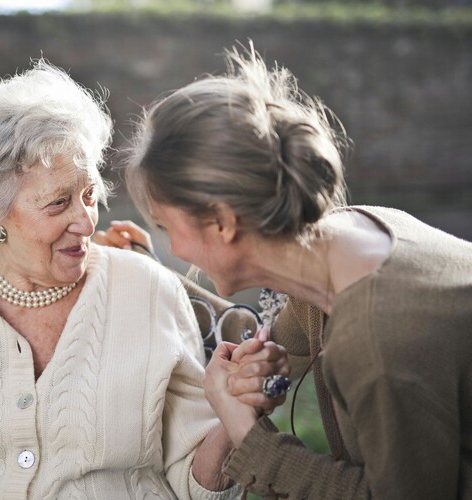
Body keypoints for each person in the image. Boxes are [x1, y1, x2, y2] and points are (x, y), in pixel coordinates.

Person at [0, 60, 281, 499]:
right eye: (57, 204)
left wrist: (233, 413)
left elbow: (195, 483)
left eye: (89, 195)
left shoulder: (149, 291)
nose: (86, 223)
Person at [114, 46, 472, 499]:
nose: (175, 247)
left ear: (222, 222)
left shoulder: (378, 341)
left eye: (166, 227)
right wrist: (260, 368)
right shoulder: (349, 236)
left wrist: (249, 436)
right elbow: (274, 345)